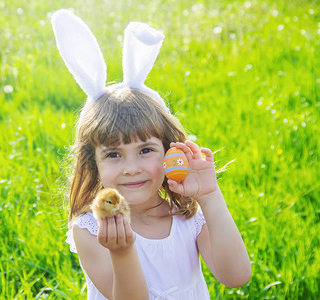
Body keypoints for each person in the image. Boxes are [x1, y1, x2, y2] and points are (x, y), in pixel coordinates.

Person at [52, 9, 251, 300]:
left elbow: (235, 276)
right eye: (114, 155)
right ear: (92, 163)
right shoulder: (91, 229)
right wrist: (122, 251)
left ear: (171, 151)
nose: (132, 168)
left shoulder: (187, 214)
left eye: (145, 150)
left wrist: (209, 196)